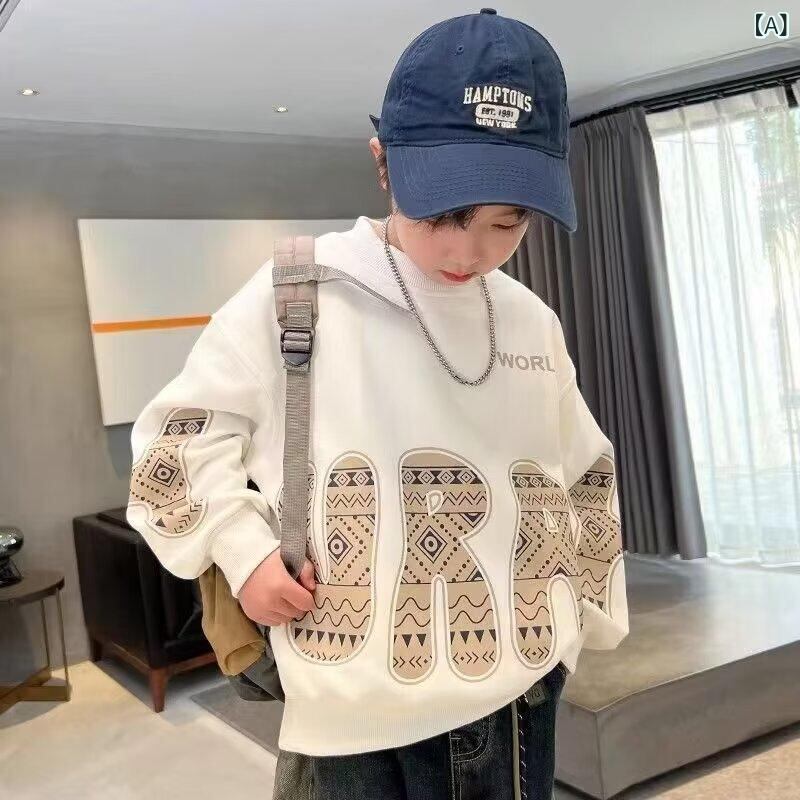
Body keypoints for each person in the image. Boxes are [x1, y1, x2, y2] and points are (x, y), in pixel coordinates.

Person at [125, 8, 629, 800]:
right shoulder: (297, 295)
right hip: (351, 719)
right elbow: (172, 448)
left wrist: (578, 620)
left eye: (507, 222)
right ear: (384, 165)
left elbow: (584, 472)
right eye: (444, 213)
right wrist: (242, 551)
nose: (470, 250)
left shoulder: (530, 319)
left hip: (519, 701)